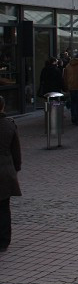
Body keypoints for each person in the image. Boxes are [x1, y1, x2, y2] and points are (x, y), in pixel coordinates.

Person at [0, 96, 22, 251]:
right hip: (5, 170)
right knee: (3, 207)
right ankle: (3, 240)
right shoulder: (9, 125)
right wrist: (16, 168)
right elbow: (16, 151)